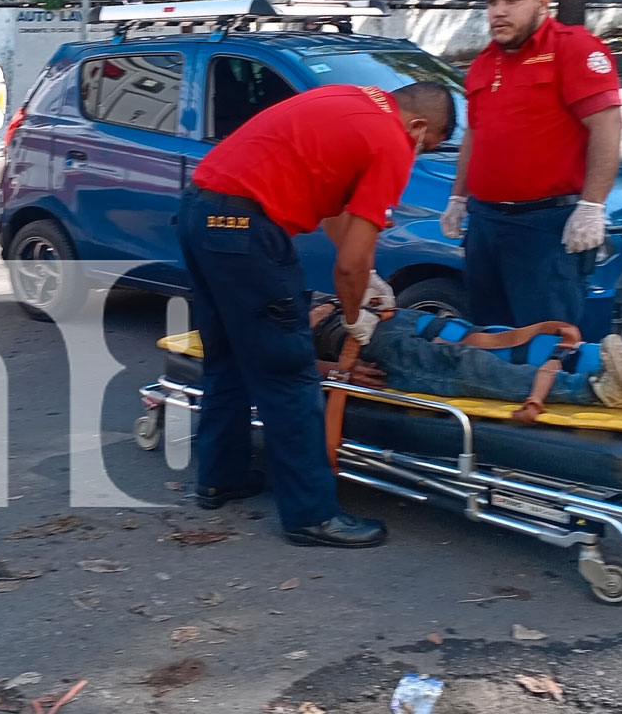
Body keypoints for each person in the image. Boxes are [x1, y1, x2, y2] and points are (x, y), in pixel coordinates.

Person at [179, 81, 455, 548]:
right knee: (289, 374)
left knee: (227, 358)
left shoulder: (353, 98)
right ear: (419, 125)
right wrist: (354, 319)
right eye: (426, 147)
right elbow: (347, 263)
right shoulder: (393, 139)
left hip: (200, 213)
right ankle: (311, 515)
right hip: (248, 231)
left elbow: (334, 211)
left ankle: (219, 478)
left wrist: (365, 280)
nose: (418, 156)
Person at [439, 0, 622, 329]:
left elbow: (607, 125)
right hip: (486, 223)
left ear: (542, 2)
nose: (499, 11)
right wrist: (458, 198)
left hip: (543, 227)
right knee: (488, 335)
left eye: (512, 0)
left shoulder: (573, 49)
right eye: (491, 2)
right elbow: (475, 135)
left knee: (546, 341)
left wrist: (592, 206)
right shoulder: (483, 63)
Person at [305, 296, 622, 415]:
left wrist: (331, 304)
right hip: (350, 347)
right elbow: (254, 356)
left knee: (477, 337)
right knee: (461, 365)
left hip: (368, 317)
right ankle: (593, 389)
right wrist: (330, 371)